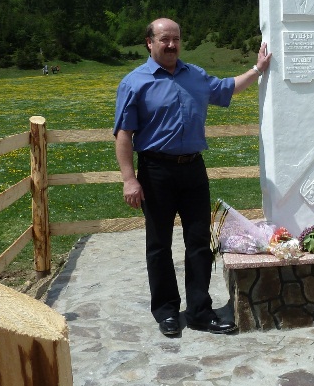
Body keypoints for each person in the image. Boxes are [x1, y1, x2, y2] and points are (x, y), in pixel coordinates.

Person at [113, 18, 271, 337]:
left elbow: (227, 88)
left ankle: (200, 311)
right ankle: (167, 311)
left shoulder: (194, 75)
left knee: (199, 242)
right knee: (158, 244)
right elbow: (123, 134)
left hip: (193, 170)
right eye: (164, 39)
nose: (171, 45)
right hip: (156, 171)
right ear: (149, 42)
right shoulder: (134, 82)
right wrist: (130, 179)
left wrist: (257, 69)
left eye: (176, 39)